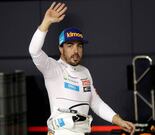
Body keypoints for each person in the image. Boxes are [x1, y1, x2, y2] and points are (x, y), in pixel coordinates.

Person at [29, 2, 135, 135]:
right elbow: (34, 51)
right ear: (60, 48)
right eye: (70, 45)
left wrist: (120, 121)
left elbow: (96, 103)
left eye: (79, 46)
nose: (76, 50)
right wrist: (46, 23)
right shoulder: (52, 68)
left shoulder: (85, 72)